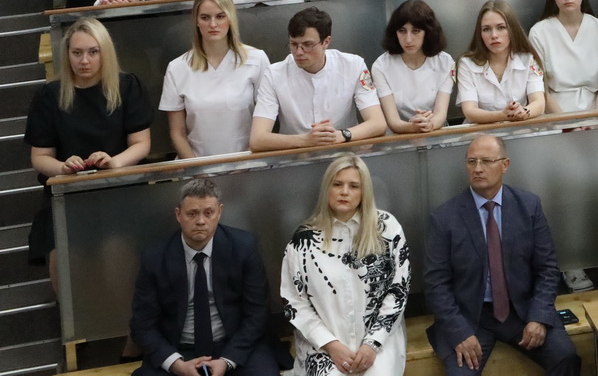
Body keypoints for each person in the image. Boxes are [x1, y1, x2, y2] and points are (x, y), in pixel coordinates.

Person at [425, 135, 579, 376]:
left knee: (566, 357)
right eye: (471, 161)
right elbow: (436, 284)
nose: (477, 168)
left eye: (486, 161)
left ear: (505, 165)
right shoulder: (445, 218)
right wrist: (459, 332)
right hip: (470, 317)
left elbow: (547, 269)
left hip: (521, 310)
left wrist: (539, 316)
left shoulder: (528, 206)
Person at [26, 19, 149, 285]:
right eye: (77, 53)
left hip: (118, 189)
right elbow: (40, 157)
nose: (84, 60)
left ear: (105, 52)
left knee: (116, 255)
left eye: (93, 52)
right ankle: (68, 312)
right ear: (66, 54)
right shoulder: (49, 95)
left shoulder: (127, 86)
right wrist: (62, 167)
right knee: (64, 259)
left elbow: (141, 143)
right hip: (67, 194)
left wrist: (114, 162)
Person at [128, 178, 278, 376]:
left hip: (234, 345)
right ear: (178, 214)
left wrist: (227, 361)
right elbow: (142, 324)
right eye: (192, 214)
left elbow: (258, 313)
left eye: (208, 213)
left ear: (219, 212)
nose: (200, 221)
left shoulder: (244, 247)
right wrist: (177, 365)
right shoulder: (155, 257)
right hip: (178, 349)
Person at [281, 156, 409, 376]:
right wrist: (331, 345)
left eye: (353, 186)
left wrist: (372, 344)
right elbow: (294, 301)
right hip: (322, 345)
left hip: (379, 338)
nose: (344, 192)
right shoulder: (304, 239)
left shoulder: (387, 228)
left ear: (364, 191)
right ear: (327, 189)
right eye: (337, 184)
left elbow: (399, 290)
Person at [249, 8, 384, 151]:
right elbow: (257, 139)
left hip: (345, 153)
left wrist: (341, 135)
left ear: (326, 42)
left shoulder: (353, 65)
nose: (299, 52)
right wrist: (306, 140)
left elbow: (378, 123)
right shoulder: (274, 74)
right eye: (294, 44)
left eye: (307, 45)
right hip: (295, 156)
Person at [160, 0, 269, 157]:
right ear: (196, 21)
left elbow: (266, 121)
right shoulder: (177, 68)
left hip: (248, 163)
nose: (213, 24)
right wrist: (197, 168)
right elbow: (177, 133)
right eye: (205, 17)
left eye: (220, 16)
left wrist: (245, 164)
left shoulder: (257, 59)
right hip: (196, 165)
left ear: (230, 18)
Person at [529, 0, 598, 112]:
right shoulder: (538, 32)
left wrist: (595, 117)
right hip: (555, 111)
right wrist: (563, 121)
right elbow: (540, 87)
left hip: (596, 109)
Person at [370, 0, 453, 134]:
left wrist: (429, 124)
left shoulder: (445, 62)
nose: (408, 39)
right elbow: (393, 121)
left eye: (416, 31)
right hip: (398, 135)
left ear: (428, 32)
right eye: (402, 31)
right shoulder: (381, 66)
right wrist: (412, 127)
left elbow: (441, 114)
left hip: (435, 131)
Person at [456, 0, 546, 123]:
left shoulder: (528, 58)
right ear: (480, 33)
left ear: (512, 29)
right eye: (486, 29)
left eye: (501, 27)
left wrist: (523, 111)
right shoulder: (466, 63)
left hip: (521, 127)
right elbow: (470, 112)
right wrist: (503, 115)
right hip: (481, 131)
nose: (494, 35)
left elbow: (539, 103)